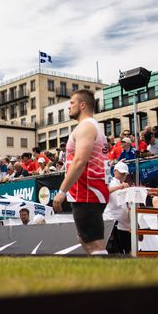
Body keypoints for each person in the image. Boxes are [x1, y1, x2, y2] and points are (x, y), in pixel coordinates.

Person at [53, 89, 110, 255]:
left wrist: (62, 191)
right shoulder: (90, 126)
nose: (69, 107)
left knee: (95, 245)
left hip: (87, 192)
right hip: (88, 192)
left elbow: (79, 162)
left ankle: (109, 278)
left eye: (72, 103)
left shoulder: (86, 127)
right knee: (83, 238)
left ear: (82, 105)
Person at [103, 161, 131, 254]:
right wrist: (120, 187)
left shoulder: (124, 185)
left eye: (125, 174)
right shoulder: (111, 183)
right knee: (115, 251)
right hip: (113, 224)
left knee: (126, 250)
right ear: (115, 171)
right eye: (122, 173)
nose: (123, 175)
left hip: (124, 226)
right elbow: (105, 191)